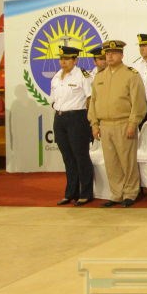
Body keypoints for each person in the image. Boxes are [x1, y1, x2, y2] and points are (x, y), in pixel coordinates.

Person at [88, 40, 147, 207]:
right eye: (107, 53)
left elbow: (138, 102)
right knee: (111, 162)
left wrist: (133, 123)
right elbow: (93, 102)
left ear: (121, 55)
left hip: (123, 123)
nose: (110, 56)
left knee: (127, 161)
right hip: (105, 125)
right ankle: (116, 194)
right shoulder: (100, 76)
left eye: (114, 53)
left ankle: (130, 193)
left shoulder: (131, 75)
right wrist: (94, 124)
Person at [50, 46, 95, 206]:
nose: (63, 62)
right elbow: (53, 98)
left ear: (75, 60)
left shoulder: (83, 75)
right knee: (68, 158)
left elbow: (90, 98)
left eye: (67, 59)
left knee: (81, 156)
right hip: (60, 118)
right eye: (61, 59)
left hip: (77, 117)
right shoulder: (56, 76)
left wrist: (89, 119)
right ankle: (71, 193)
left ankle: (86, 193)